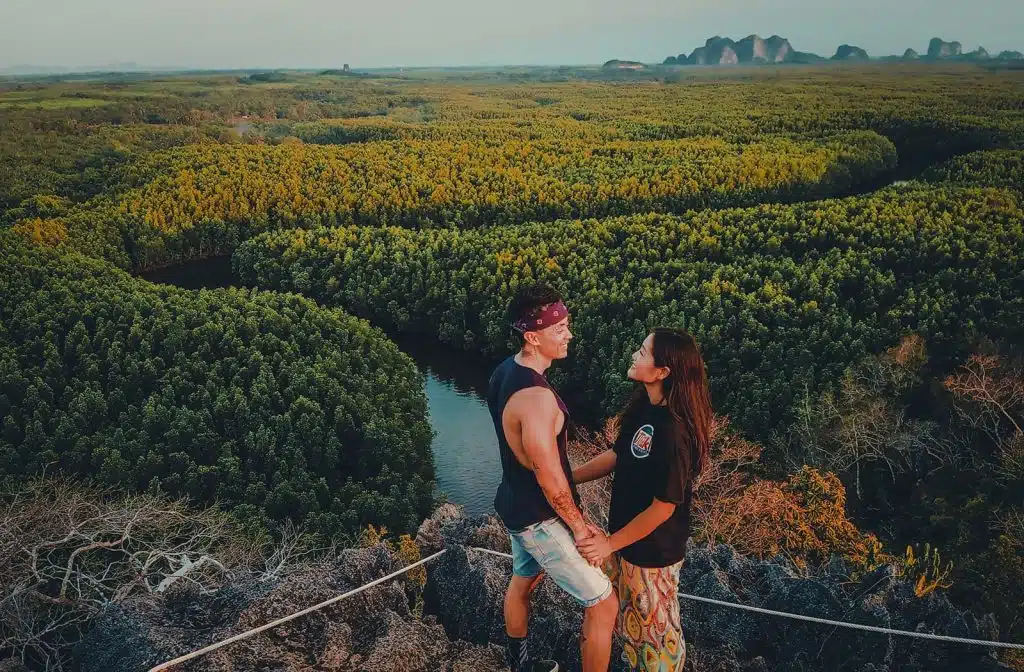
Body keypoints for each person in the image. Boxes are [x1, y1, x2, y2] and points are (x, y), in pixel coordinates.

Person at [489, 283, 618, 672]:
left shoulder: (504, 371)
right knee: (603, 601)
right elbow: (548, 475)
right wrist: (579, 528)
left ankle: (519, 665)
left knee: (523, 582)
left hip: (513, 503)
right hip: (540, 518)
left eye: (567, 323)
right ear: (532, 336)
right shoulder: (537, 399)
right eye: (558, 328)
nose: (569, 334)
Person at [573, 328, 713, 672]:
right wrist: (567, 477)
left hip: (653, 553)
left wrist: (610, 544)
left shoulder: (674, 431)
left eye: (642, 351)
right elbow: (618, 455)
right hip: (626, 544)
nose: (634, 355)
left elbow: (665, 506)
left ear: (663, 371)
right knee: (630, 631)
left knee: (657, 638)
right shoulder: (644, 409)